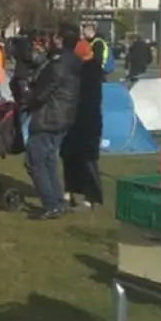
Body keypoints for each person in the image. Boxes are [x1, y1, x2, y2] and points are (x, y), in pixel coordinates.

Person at [21, 23, 81, 220]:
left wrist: (27, 99)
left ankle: (51, 204)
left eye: (56, 37)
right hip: (64, 117)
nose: (52, 40)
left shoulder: (58, 65)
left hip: (49, 117)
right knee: (49, 160)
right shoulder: (74, 62)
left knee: (35, 161)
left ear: (61, 39)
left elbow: (42, 93)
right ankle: (57, 201)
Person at [62, 24, 103, 210]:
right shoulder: (86, 70)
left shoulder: (88, 72)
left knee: (86, 160)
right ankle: (70, 192)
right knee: (71, 157)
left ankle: (90, 197)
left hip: (86, 121)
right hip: (78, 120)